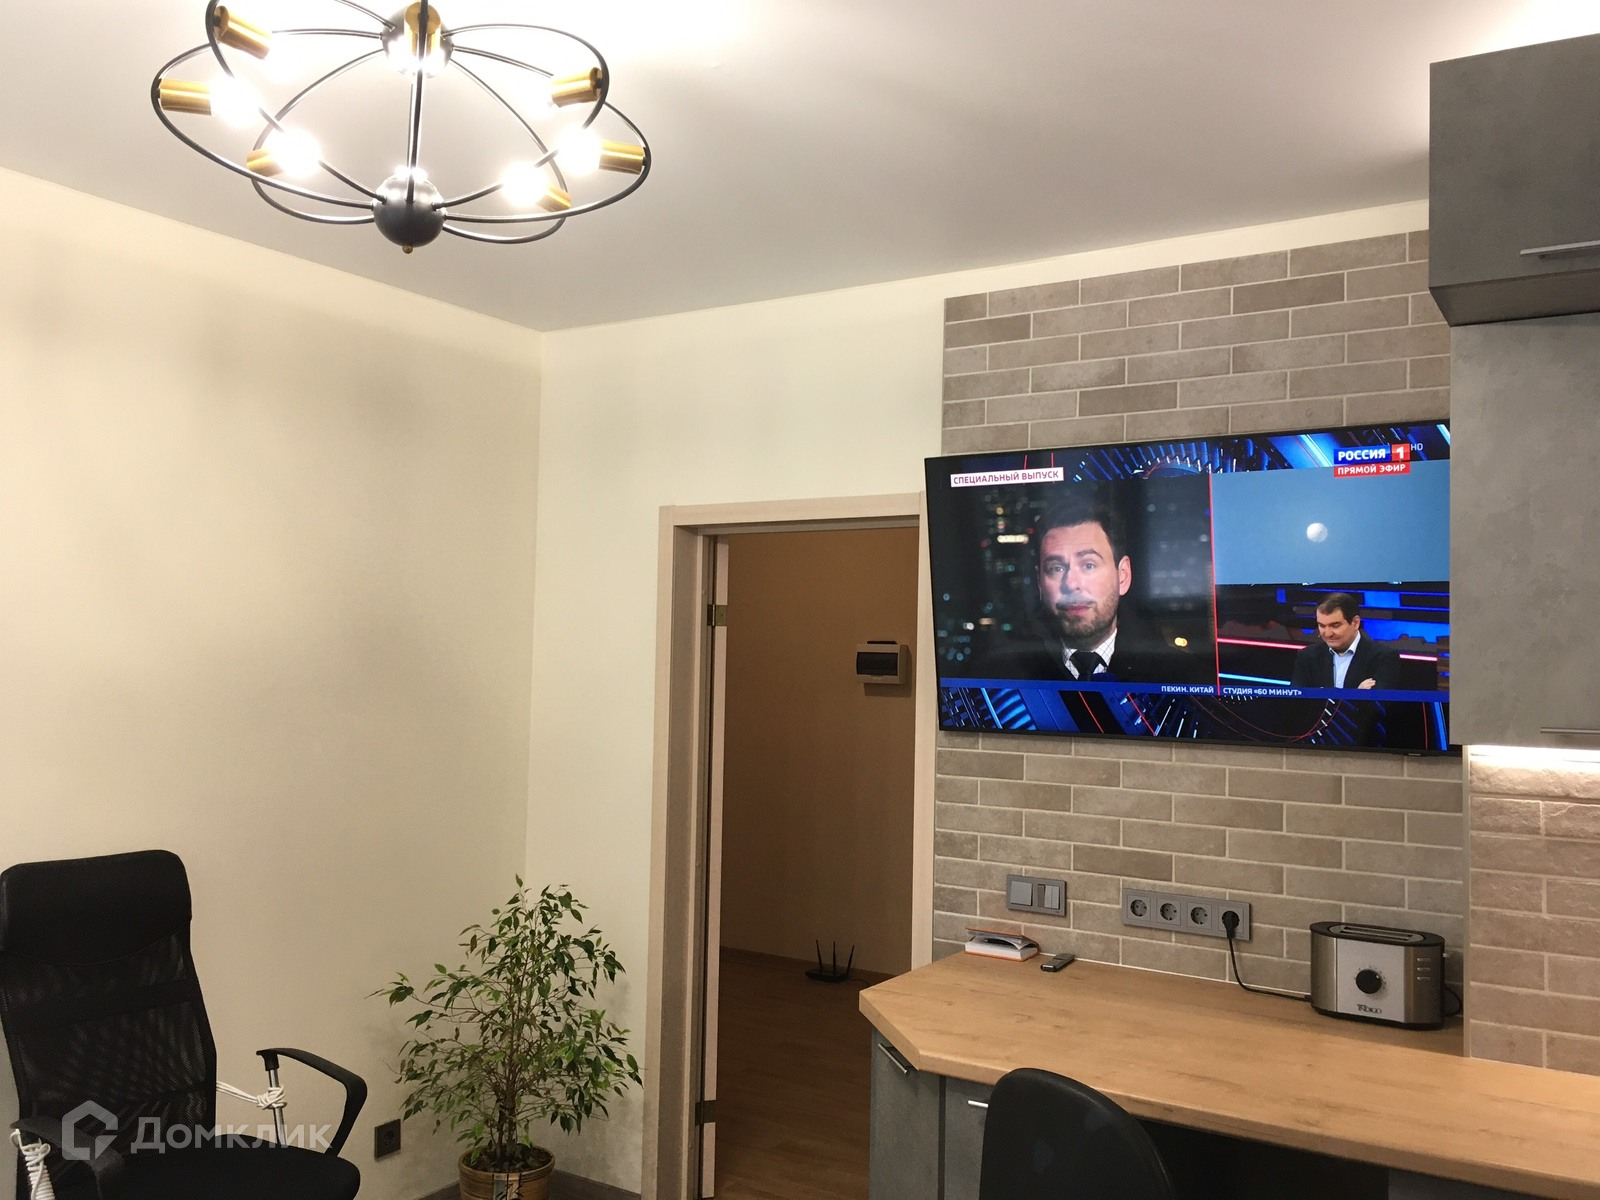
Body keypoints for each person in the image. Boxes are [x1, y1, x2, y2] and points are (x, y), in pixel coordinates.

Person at [983, 491, 1212, 686]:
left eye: (1089, 565)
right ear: (1039, 582)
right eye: (1056, 568)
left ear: (1123, 576)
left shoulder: (1183, 677)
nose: (1071, 584)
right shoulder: (998, 676)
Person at [1289, 593, 1401, 691]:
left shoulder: (1383, 657)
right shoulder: (1307, 656)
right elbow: (1297, 703)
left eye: (1335, 625)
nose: (1328, 634)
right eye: (1322, 626)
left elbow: (1378, 705)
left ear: (1355, 623)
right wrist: (1357, 694)